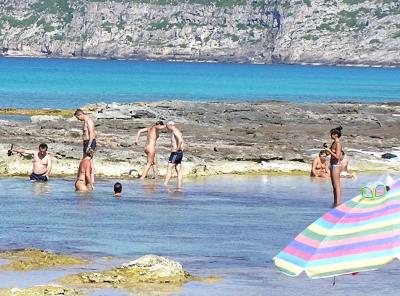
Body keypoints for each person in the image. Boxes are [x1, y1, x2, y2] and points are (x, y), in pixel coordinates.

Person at [74, 109, 96, 186]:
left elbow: (92, 134)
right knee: (85, 162)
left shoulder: (89, 121)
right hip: (86, 143)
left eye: (78, 118)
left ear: (80, 115)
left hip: (90, 143)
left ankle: (91, 181)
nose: (78, 120)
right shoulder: (85, 122)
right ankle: (87, 180)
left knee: (89, 162)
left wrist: (89, 145)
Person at [325, 126, 343, 207]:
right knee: (333, 186)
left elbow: (337, 156)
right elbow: (330, 153)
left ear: (336, 135)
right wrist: (327, 151)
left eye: (332, 134)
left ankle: (338, 203)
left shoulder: (338, 144)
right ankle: (335, 202)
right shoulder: (334, 143)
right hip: (332, 165)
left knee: (336, 186)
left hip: (336, 165)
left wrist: (330, 151)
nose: (330, 135)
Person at [164, 121, 184, 188]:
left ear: (170, 125)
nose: (167, 128)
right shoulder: (177, 131)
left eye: (167, 127)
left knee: (169, 167)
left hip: (176, 153)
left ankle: (165, 184)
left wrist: (177, 149)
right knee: (178, 168)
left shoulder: (175, 131)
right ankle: (179, 185)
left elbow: (180, 140)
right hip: (180, 153)